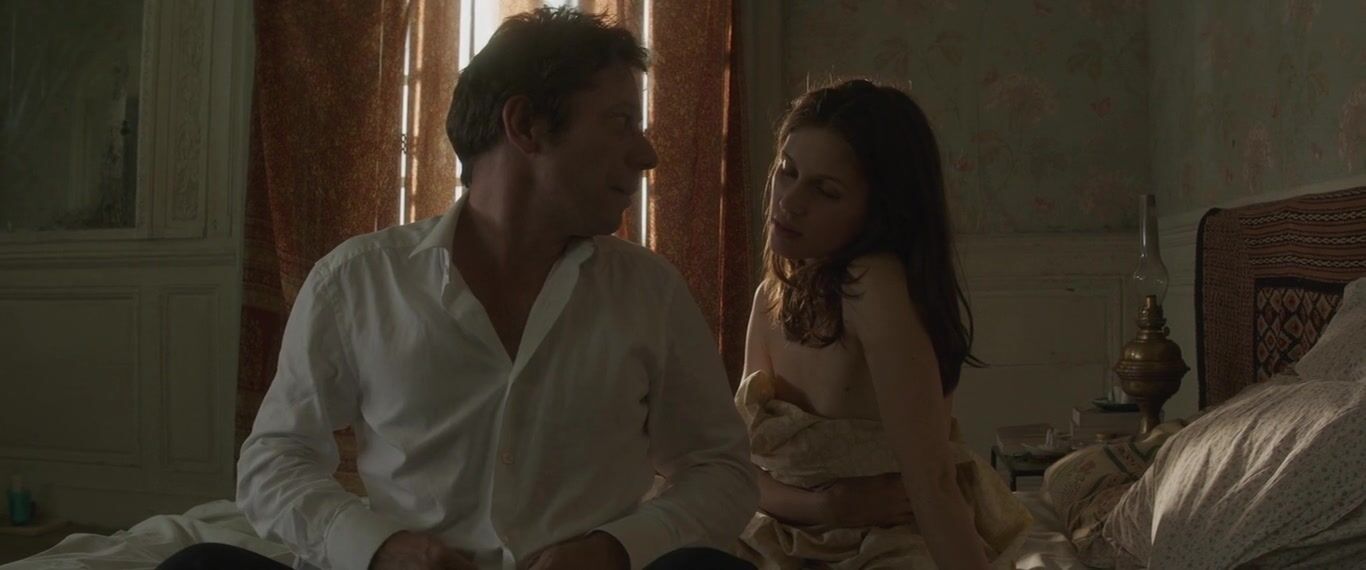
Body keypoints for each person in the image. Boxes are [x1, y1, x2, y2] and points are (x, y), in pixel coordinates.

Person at [160, 8, 756, 570]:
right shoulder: (357, 282)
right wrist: (379, 548)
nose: (647, 154)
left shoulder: (650, 293)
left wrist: (616, 551)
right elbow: (273, 461)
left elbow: (721, 470)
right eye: (621, 121)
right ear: (525, 125)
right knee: (200, 565)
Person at [733, 79, 1032, 569]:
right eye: (787, 171)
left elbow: (933, 482)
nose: (789, 201)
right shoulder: (771, 295)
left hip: (883, 545)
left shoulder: (871, 283)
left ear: (879, 212)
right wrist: (824, 506)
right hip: (783, 534)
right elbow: (743, 471)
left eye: (825, 190)